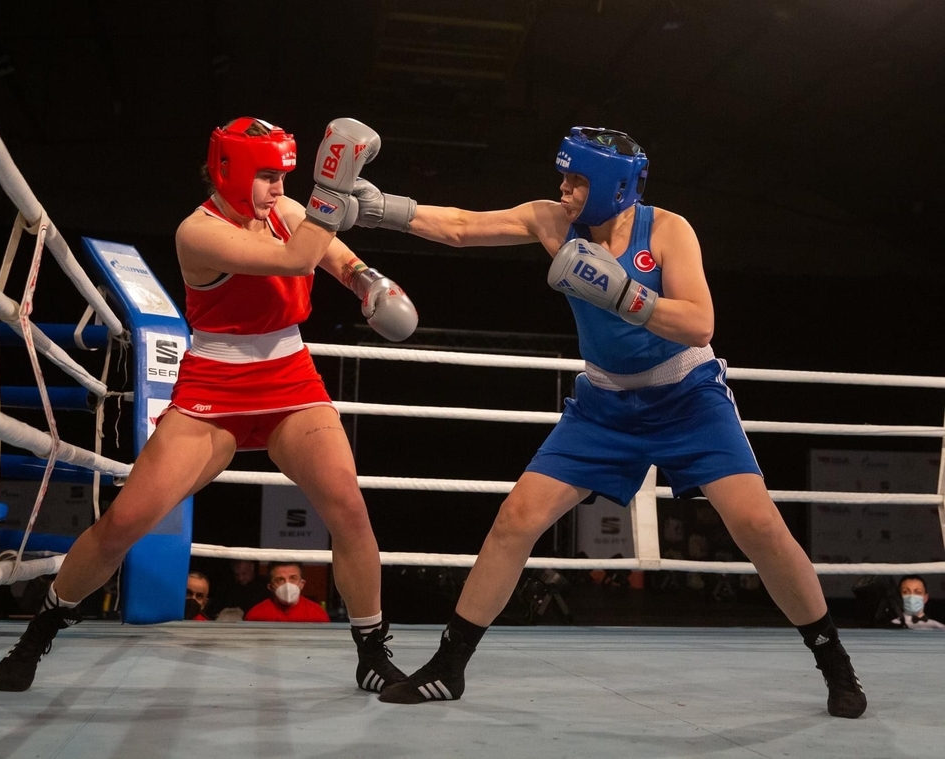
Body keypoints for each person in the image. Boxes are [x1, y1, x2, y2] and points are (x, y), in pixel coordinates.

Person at [350, 126, 867, 718]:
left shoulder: (668, 230)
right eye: (564, 177)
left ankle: (834, 663)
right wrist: (382, 210)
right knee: (516, 518)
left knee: (759, 525)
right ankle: (448, 667)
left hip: (687, 397)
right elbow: (463, 227)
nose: (564, 189)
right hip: (603, 404)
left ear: (614, 188)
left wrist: (625, 296)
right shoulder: (551, 220)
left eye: (576, 180)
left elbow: (700, 323)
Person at [0, 116, 417, 695]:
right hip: (215, 387)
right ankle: (41, 628)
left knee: (348, 508)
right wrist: (333, 189)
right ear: (231, 172)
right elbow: (297, 259)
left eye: (283, 176)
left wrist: (368, 281)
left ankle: (372, 650)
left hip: (290, 378)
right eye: (267, 176)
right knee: (125, 522)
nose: (278, 188)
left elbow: (335, 258)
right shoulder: (197, 233)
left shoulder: (285, 209)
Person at [244, 561, 331, 622]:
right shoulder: (256, 615)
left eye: (293, 578)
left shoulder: (318, 615)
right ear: (270, 587)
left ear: (302, 584)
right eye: (280, 580)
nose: (287, 585)